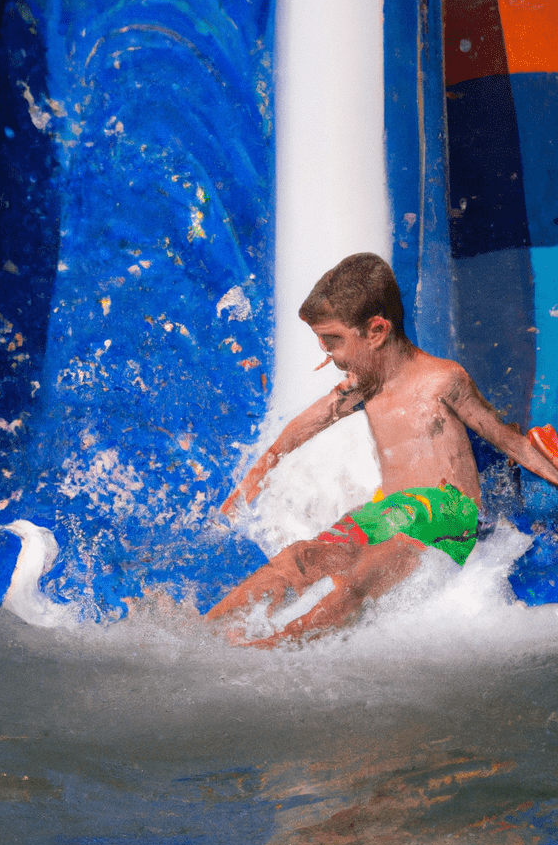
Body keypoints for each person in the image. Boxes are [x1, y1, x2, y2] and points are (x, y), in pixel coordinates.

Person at [210, 252, 558, 645]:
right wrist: (256, 474)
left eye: (334, 341)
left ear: (376, 331)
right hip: (389, 510)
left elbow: (505, 439)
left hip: (443, 512)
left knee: (362, 572)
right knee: (300, 557)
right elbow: (308, 423)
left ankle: (275, 646)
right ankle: (202, 633)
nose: (329, 354)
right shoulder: (365, 386)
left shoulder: (443, 379)